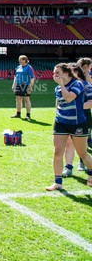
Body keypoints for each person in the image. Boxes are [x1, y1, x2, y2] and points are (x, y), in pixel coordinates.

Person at [46, 63, 92, 191]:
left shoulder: (77, 84)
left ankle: (91, 173)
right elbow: (59, 105)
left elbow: (69, 98)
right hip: (61, 123)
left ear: (66, 73)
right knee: (57, 151)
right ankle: (57, 182)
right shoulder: (57, 89)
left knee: (82, 153)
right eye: (54, 73)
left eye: (57, 73)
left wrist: (61, 85)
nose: (55, 76)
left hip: (77, 123)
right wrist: (57, 117)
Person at [62, 64, 92, 177]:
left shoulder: (86, 85)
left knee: (82, 145)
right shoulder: (65, 86)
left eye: (70, 72)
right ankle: (68, 167)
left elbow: (91, 102)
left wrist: (78, 106)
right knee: (68, 143)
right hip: (67, 119)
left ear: (77, 73)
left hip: (83, 118)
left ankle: (83, 163)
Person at [11, 55, 35, 121]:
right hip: (18, 85)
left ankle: (28, 115)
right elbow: (15, 77)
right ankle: (18, 114)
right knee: (18, 99)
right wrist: (14, 85)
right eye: (19, 59)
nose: (19, 61)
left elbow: (32, 77)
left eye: (21, 59)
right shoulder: (18, 67)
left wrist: (30, 86)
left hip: (26, 85)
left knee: (26, 99)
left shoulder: (29, 67)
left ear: (25, 60)